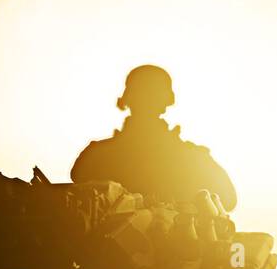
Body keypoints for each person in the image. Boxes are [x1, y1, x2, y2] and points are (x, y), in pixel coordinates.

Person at [70, 64, 237, 211]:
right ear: (167, 101)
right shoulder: (192, 157)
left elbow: (228, 199)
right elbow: (228, 199)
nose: (146, 102)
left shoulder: (95, 155)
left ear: (127, 99)